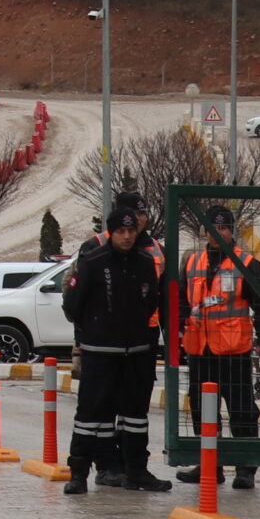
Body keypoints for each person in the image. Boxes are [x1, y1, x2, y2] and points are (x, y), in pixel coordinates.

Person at [59, 191, 171, 495]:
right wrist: (92, 332)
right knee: (91, 415)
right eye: (120, 231)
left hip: (136, 351)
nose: (126, 236)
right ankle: (80, 472)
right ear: (111, 231)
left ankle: (136, 470)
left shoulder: (147, 261)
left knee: (135, 415)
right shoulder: (94, 259)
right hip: (99, 352)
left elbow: (153, 302)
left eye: (130, 230)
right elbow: (72, 304)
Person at [173, 203, 260, 490]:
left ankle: (245, 468)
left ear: (232, 231)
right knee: (202, 409)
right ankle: (210, 464)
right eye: (213, 228)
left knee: (241, 410)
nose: (218, 234)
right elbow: (182, 299)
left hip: (234, 350)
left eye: (224, 228)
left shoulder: (247, 263)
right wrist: (182, 321)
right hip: (200, 349)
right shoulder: (193, 262)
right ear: (204, 231)